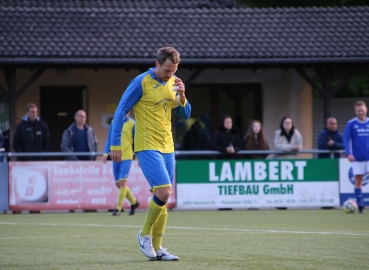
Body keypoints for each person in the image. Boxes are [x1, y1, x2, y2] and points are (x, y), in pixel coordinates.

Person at [110, 47, 191, 261]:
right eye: (167, 70)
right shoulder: (141, 82)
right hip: (147, 145)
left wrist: (182, 96)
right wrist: (115, 144)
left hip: (168, 146)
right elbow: (120, 112)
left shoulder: (174, 82)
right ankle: (144, 234)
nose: (170, 74)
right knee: (164, 192)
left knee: (164, 196)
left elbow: (185, 114)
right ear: (157, 64)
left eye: (174, 70)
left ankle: (159, 248)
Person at [102, 114, 140, 216]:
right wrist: (106, 153)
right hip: (115, 156)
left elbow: (138, 141)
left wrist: (140, 156)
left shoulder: (133, 124)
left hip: (127, 156)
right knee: (118, 184)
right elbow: (109, 139)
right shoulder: (114, 122)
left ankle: (118, 208)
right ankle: (134, 202)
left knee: (123, 183)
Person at [343, 100, 369, 214]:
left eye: (362, 110)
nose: (360, 113)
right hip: (357, 157)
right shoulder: (351, 124)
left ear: (366, 110)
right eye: (358, 111)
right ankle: (360, 206)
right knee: (358, 180)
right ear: (355, 112)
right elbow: (345, 139)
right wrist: (349, 153)